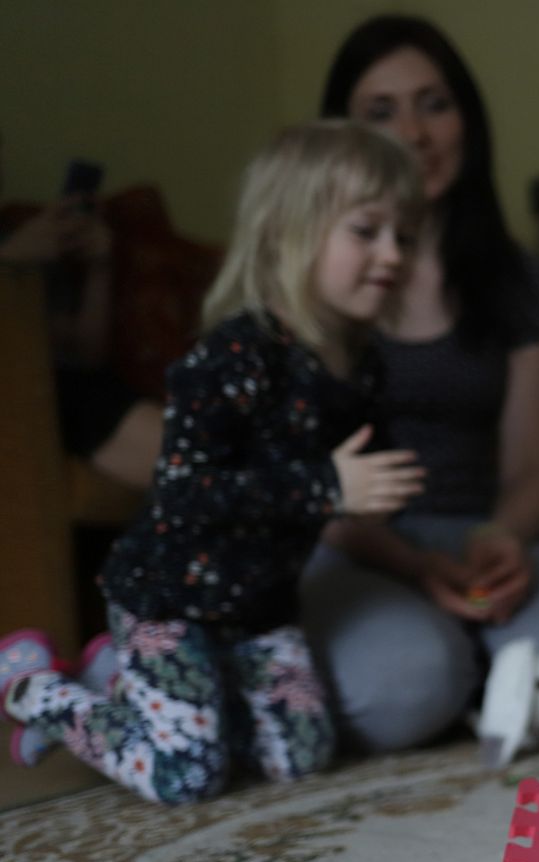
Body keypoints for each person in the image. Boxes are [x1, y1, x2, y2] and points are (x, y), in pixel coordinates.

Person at [0, 121, 426, 803]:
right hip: (168, 598)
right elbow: (184, 490)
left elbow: (345, 487)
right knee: (186, 777)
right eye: (367, 230)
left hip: (259, 606)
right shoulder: (237, 354)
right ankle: (34, 688)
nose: (393, 253)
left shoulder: (364, 367)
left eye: (405, 235)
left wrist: (380, 508)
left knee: (301, 758)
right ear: (292, 231)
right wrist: (326, 485)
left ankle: (127, 682)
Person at [307, 15, 539, 752]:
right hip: (358, 544)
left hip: (487, 537)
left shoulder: (515, 277)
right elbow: (309, 484)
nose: (415, 134)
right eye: (381, 112)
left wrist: (501, 537)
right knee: (399, 686)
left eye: (434, 103)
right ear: (343, 135)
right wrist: (415, 567)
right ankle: (456, 671)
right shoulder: (316, 283)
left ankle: (477, 667)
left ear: (468, 119)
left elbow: (535, 465)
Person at [0, 139, 163, 491]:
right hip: (28, 392)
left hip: (62, 387)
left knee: (82, 386)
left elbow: (83, 354)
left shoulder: (28, 236)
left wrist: (100, 267)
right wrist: (9, 261)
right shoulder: (20, 244)